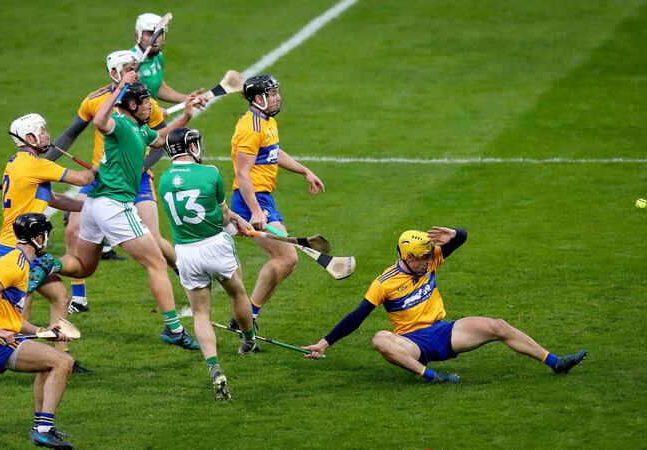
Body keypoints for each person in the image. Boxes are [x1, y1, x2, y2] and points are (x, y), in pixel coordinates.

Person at [30, 75, 200, 350]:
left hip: (94, 207)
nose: (150, 106)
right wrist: (120, 87)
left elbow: (159, 141)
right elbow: (99, 121)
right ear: (131, 105)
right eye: (145, 102)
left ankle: (49, 264)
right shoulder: (119, 124)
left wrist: (185, 118)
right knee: (156, 264)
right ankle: (174, 328)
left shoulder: (138, 128)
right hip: (115, 206)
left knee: (85, 266)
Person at [303, 227, 588, 383]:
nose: (429, 261)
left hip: (445, 331)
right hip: (413, 344)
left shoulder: (428, 260)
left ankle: (555, 363)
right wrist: (325, 343)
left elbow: (461, 238)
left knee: (497, 326)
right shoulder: (384, 282)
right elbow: (357, 316)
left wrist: (454, 233)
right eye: (422, 258)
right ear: (408, 257)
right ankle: (432, 376)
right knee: (380, 339)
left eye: (429, 256)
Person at [0, 113, 96, 384]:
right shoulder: (34, 165)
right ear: (28, 138)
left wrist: (88, 207)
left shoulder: (21, 164)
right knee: (19, 311)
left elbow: (51, 198)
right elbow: (81, 179)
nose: (46, 135)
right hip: (16, 251)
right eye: (40, 132)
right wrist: (98, 171)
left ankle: (59, 355)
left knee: (60, 297)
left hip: (19, 245)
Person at [158, 127, 258, 401]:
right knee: (238, 293)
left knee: (201, 313)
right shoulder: (211, 173)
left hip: (186, 253)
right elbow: (223, 216)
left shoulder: (164, 180)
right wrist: (235, 223)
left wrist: (234, 219)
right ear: (189, 146)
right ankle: (249, 340)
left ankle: (214, 367)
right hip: (215, 245)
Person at [0, 213, 75, 449]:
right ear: (37, 238)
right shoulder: (13, 265)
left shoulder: (21, 263)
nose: (47, 240)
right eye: (45, 236)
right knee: (63, 362)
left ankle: (41, 427)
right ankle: (43, 431)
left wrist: (43, 330)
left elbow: (10, 315)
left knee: (50, 363)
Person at [229, 74, 324, 326]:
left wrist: (304, 170)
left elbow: (272, 151)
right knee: (287, 258)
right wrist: (256, 211)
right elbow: (242, 173)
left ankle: (246, 316)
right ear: (258, 99)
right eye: (272, 94)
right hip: (251, 201)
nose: (277, 97)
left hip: (263, 199)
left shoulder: (267, 121)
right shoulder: (251, 129)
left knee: (287, 262)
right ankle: (247, 316)